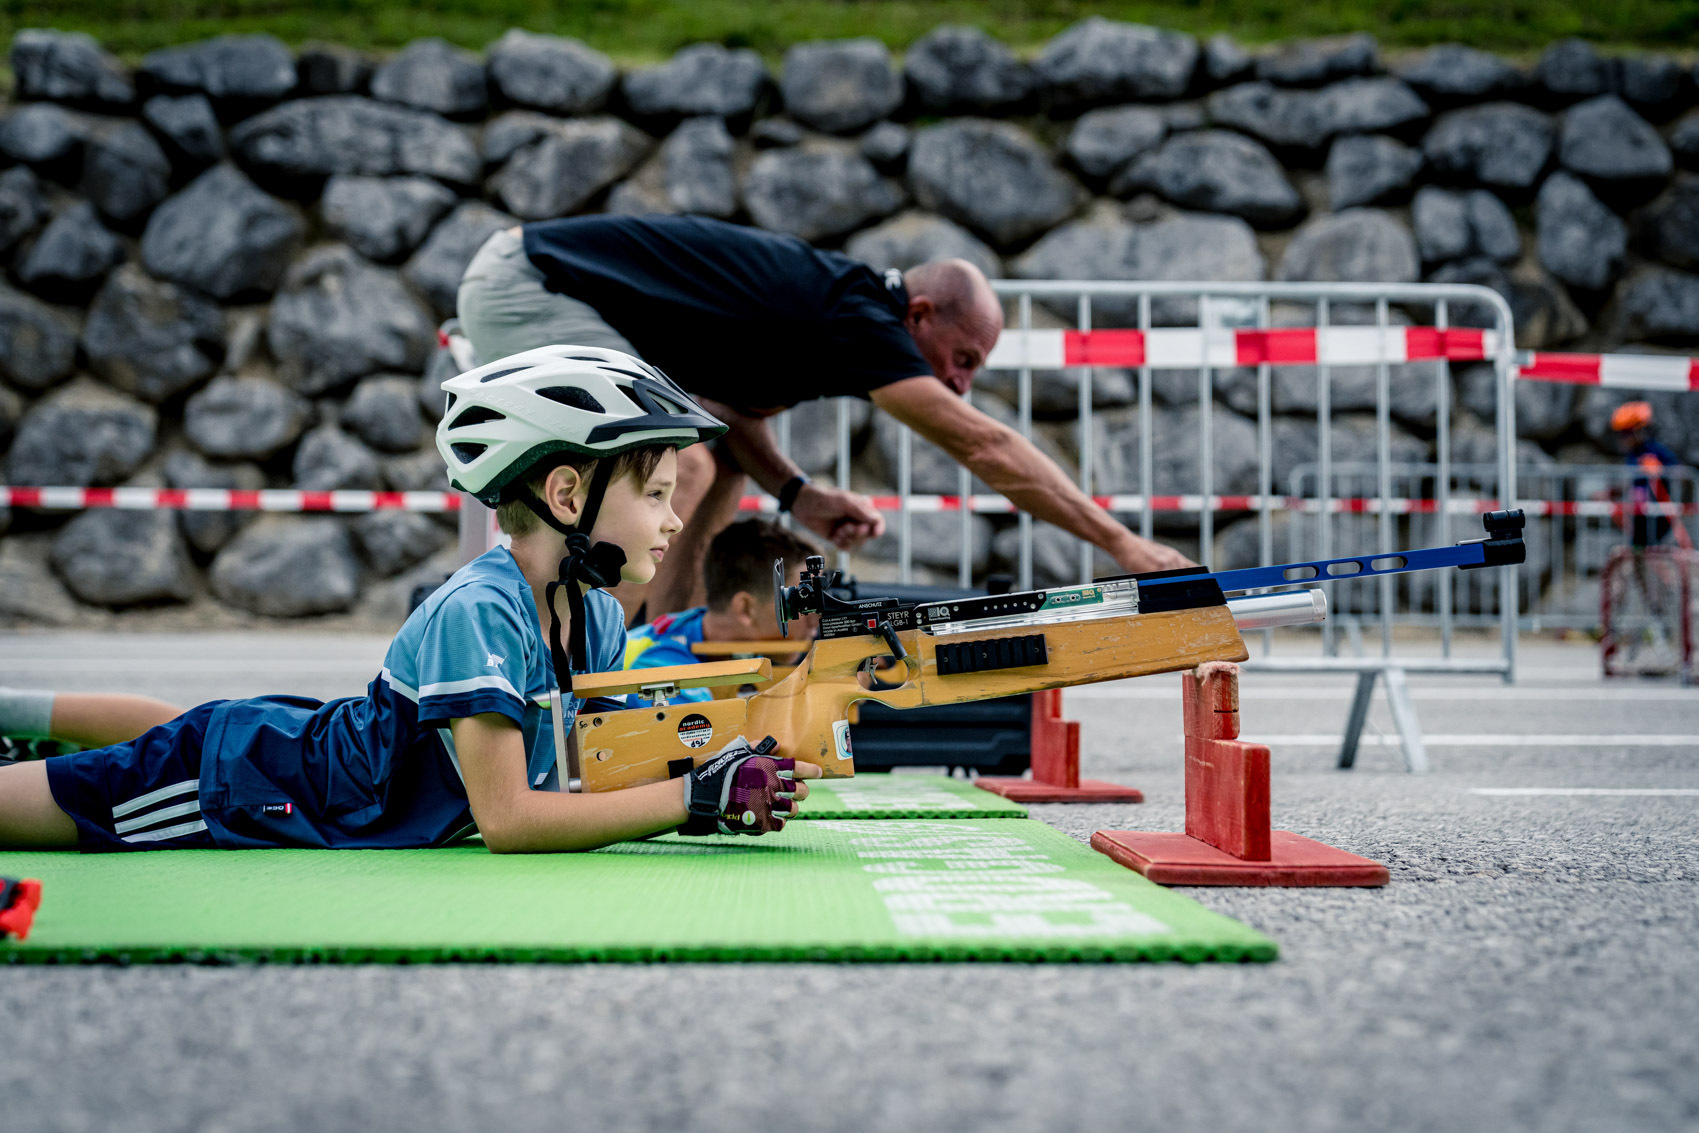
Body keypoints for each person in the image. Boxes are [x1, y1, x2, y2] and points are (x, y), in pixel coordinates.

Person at [0, 347, 817, 853]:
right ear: (567, 493)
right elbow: (510, 821)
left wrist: (731, 747)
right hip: (241, 790)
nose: (677, 519)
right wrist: (689, 798)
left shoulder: (597, 612)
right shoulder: (482, 609)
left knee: (182, 724)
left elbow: (587, 766)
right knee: (85, 791)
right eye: (659, 494)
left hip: (281, 745)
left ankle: (13, 712)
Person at [456, 213, 1191, 619]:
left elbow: (729, 415)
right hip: (531, 283)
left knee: (712, 463)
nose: (959, 385)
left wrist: (797, 493)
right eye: (961, 359)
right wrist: (1122, 544)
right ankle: (583, 676)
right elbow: (984, 445)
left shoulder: (831, 322)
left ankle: (665, 649)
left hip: (565, 291)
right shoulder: (863, 319)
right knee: (673, 466)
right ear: (921, 314)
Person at [624, 518, 823, 704]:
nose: (815, 617)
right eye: (801, 602)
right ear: (745, 609)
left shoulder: (700, 631)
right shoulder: (663, 669)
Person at [1611, 401, 1684, 549]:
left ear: (1638, 431)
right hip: (1640, 514)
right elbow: (1631, 481)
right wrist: (1612, 492)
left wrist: (1660, 470)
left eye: (1626, 433)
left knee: (1651, 551)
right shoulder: (1632, 456)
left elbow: (1680, 472)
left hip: (1659, 514)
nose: (1623, 439)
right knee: (1638, 550)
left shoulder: (1656, 450)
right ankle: (1640, 571)